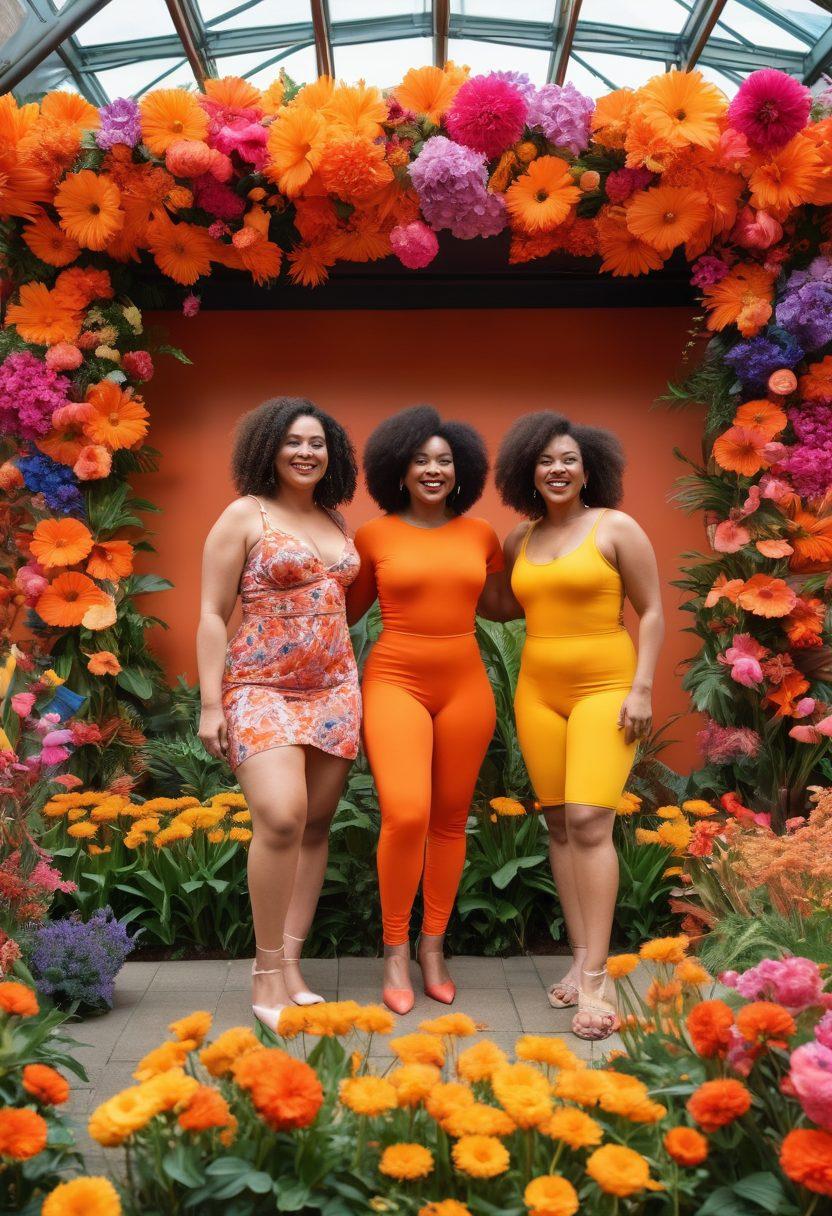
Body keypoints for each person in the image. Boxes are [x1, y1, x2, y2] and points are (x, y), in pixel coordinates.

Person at [495, 411, 664, 1041]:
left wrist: (642, 688)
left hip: (608, 687)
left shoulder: (615, 527)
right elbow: (499, 600)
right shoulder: (520, 539)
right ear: (526, 472)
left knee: (592, 821)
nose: (556, 469)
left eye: (568, 459)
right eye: (544, 460)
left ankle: (597, 977)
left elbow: (650, 612)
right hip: (537, 692)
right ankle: (578, 954)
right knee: (560, 823)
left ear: (589, 468)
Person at [197, 397, 360, 1031]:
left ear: (332, 454)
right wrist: (211, 704)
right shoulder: (245, 514)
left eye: (317, 443)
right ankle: (265, 970)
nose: (305, 452)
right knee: (282, 814)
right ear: (269, 448)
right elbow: (212, 612)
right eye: (293, 441)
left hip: (335, 690)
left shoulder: (335, 519)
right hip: (260, 686)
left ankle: (291, 962)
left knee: (315, 825)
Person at [346, 405, 503, 1014]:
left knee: (450, 820)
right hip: (394, 679)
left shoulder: (481, 535)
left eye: (444, 460)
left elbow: (503, 604)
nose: (433, 469)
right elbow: (346, 614)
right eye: (420, 460)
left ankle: (432, 947)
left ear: (460, 469)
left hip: (466, 683)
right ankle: (393, 950)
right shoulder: (374, 536)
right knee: (406, 814)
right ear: (399, 470)